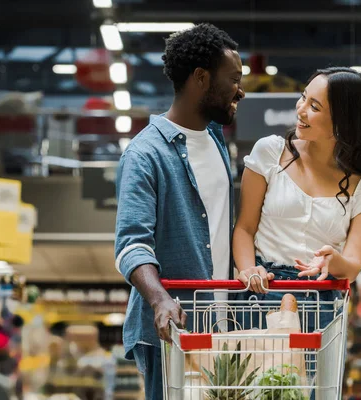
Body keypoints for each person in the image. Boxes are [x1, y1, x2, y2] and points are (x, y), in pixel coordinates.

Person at [114, 23, 245, 400]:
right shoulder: (145, 154)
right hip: (174, 333)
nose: (241, 90)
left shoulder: (217, 139)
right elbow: (131, 245)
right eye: (233, 79)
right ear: (201, 78)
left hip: (225, 327)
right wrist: (159, 300)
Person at [233, 67, 361, 335]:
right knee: (255, 376)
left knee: (313, 377)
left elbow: (351, 267)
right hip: (260, 293)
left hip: (319, 301)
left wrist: (333, 260)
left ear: (343, 120)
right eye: (303, 97)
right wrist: (249, 270)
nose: (301, 110)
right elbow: (244, 228)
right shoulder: (270, 152)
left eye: (314, 106)